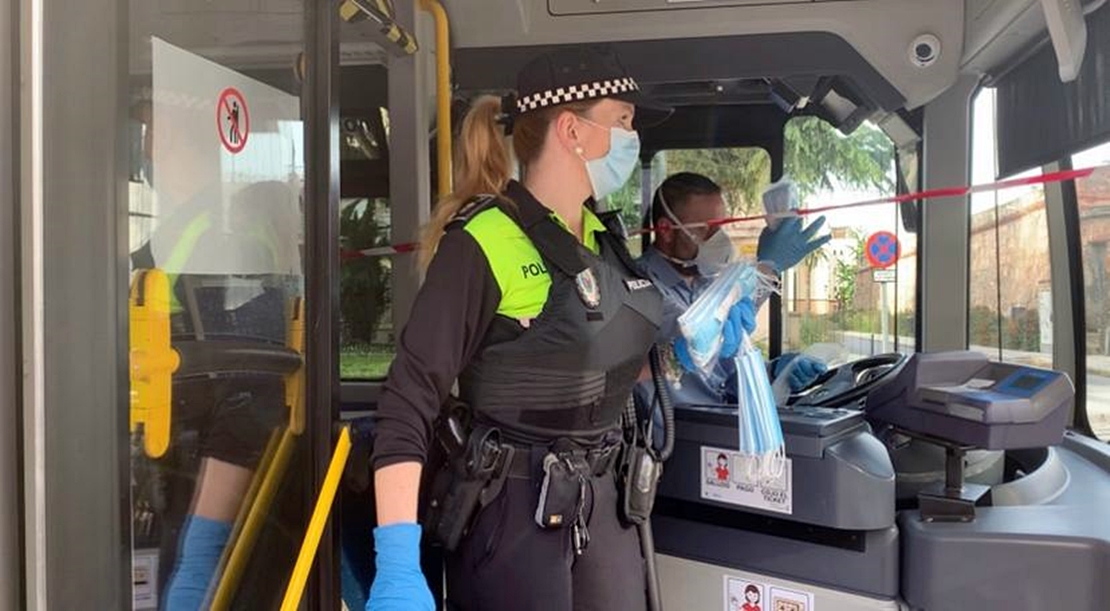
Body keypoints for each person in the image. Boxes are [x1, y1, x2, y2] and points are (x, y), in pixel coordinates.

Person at [367, 46, 673, 611]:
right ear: (571, 130)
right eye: (622, 120)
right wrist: (397, 560)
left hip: (605, 510)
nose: (633, 137)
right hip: (513, 521)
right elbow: (409, 399)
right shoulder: (484, 241)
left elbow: (598, 365)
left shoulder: (602, 241)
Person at [636, 172, 830, 413]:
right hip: (675, 439)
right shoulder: (640, 286)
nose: (719, 240)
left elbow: (723, 374)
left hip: (719, 426)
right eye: (708, 230)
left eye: (722, 228)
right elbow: (698, 335)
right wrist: (767, 268)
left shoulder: (705, 284)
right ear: (666, 229)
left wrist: (775, 371)